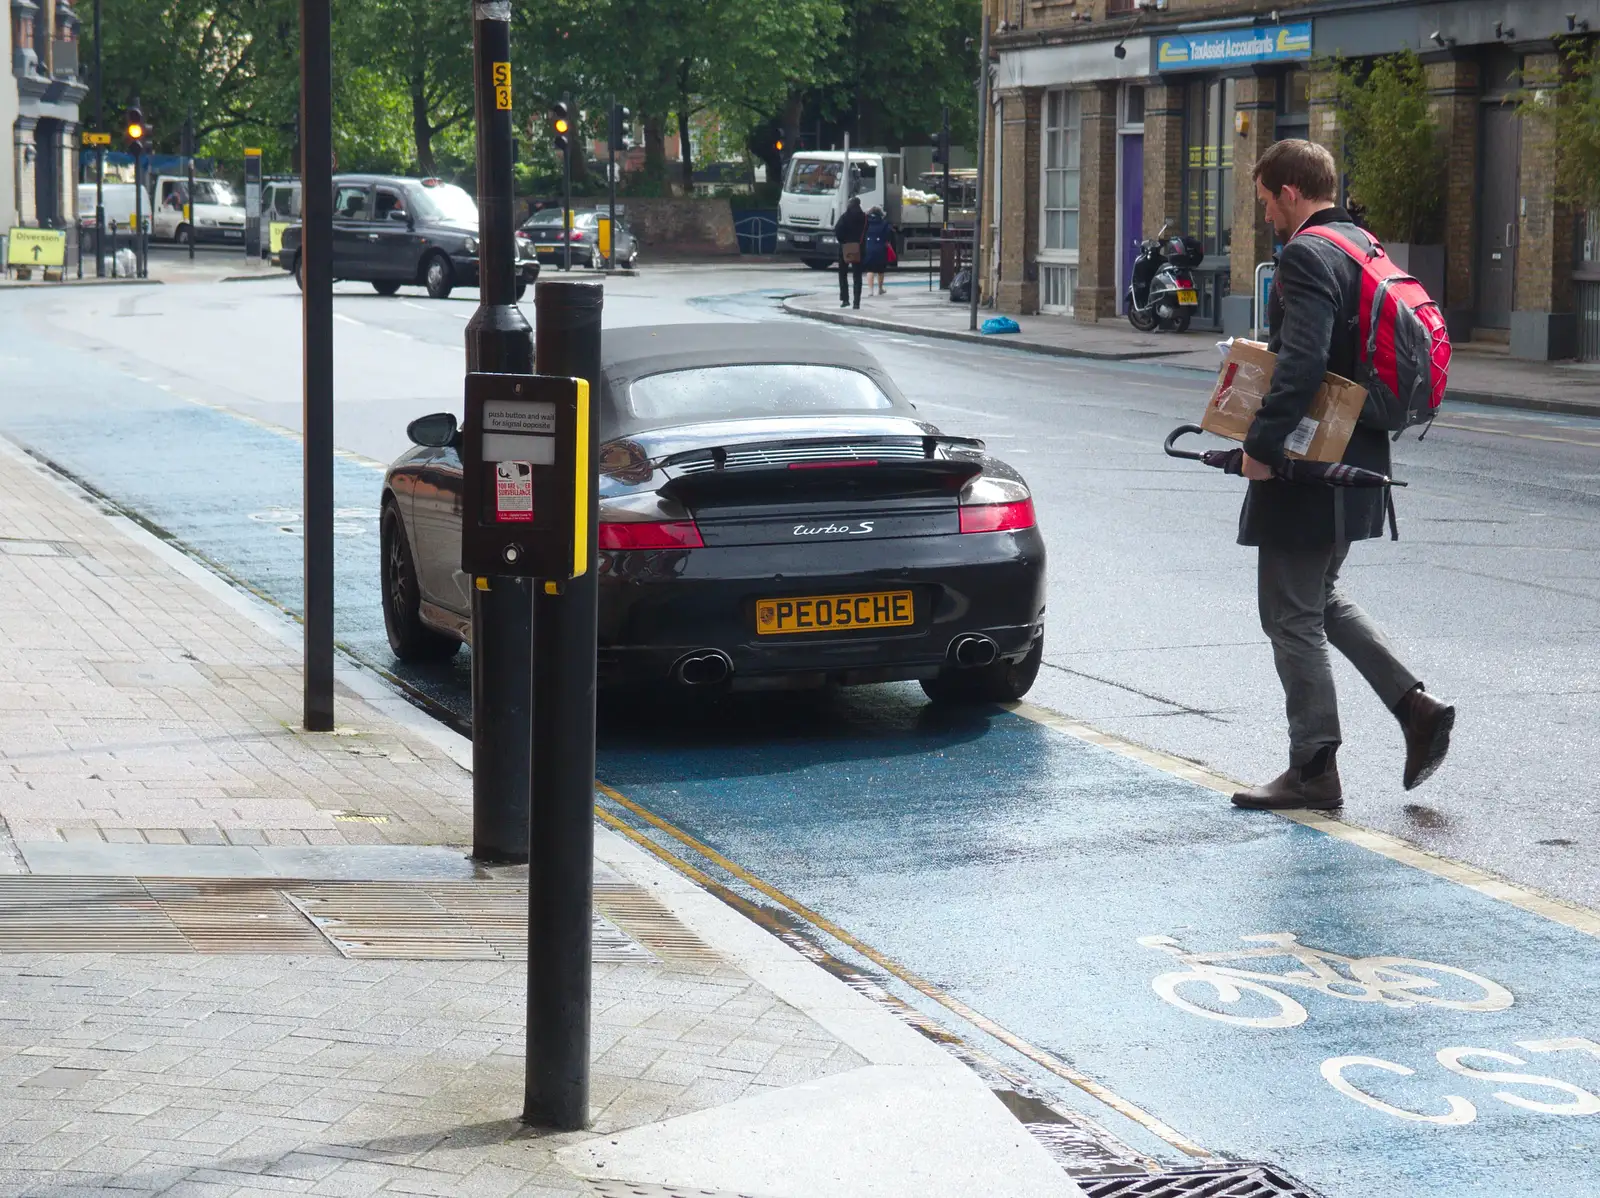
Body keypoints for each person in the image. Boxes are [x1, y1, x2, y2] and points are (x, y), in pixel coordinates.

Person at [1231, 138, 1455, 812]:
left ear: (1290, 193)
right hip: (1359, 456)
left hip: (1309, 463)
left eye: (1267, 199)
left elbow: (1299, 364)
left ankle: (1313, 768)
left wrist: (1261, 445)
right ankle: (1416, 707)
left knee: (1289, 615)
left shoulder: (1304, 254)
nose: (1266, 212)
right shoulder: (1363, 247)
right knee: (1320, 598)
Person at [834, 197, 866, 309]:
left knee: (843, 274)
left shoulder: (845, 217)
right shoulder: (864, 218)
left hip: (845, 248)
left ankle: (845, 299)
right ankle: (856, 302)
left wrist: (843, 241)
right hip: (859, 249)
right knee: (857, 276)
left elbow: (837, 230)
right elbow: (866, 231)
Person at [862, 205, 892, 296]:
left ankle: (870, 290)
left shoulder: (866, 223)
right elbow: (888, 235)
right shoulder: (884, 223)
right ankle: (880, 289)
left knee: (870, 269)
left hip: (869, 247)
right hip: (880, 248)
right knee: (880, 270)